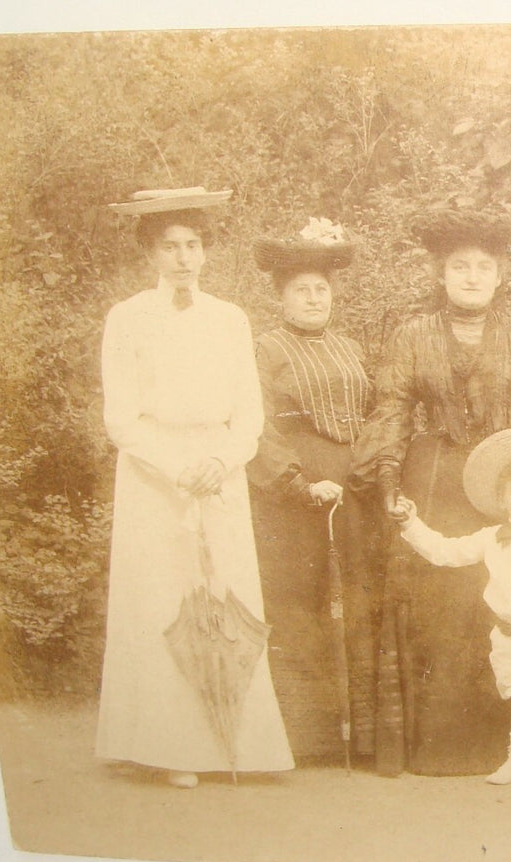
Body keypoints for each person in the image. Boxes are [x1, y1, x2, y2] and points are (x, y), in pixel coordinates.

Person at [350, 208, 511, 776]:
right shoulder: (412, 334)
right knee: (441, 605)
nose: (471, 277)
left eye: (482, 267)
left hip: (507, 482)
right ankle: (439, 749)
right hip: (439, 478)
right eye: (458, 267)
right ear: (441, 275)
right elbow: (392, 409)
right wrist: (390, 481)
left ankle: (507, 749)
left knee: (505, 600)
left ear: (499, 276)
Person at [95, 187, 293, 788]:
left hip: (218, 470)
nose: (183, 258)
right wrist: (172, 466)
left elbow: (250, 416)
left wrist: (221, 460)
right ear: (149, 255)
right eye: (169, 247)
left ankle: (239, 744)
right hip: (156, 476)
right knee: (162, 601)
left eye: (193, 245)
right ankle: (168, 749)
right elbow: (121, 417)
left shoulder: (229, 318)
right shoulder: (127, 317)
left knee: (224, 599)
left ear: (205, 252)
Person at [246, 218, 384, 764]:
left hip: (354, 490)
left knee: (357, 598)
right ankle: (304, 735)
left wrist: (371, 470)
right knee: (298, 605)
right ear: (281, 296)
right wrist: (296, 484)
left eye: (320, 289)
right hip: (295, 495)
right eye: (300, 289)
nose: (311, 298)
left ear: (334, 295)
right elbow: (255, 424)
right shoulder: (264, 349)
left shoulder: (350, 347)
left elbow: (377, 412)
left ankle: (362, 732)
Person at [387, 427, 511, 786]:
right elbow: (444, 551)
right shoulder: (491, 539)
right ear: (502, 499)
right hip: (509, 634)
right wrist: (411, 522)